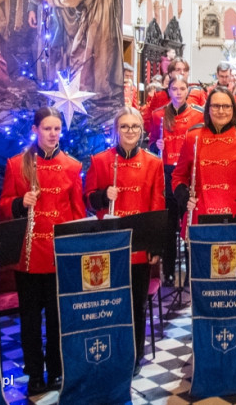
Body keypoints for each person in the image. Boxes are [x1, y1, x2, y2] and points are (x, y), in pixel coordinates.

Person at [0, 107, 84, 396]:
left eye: (56, 129)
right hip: (28, 256)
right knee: (31, 321)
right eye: (47, 128)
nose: (52, 134)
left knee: (58, 319)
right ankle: (35, 372)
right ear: (35, 129)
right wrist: (20, 202)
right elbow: (2, 207)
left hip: (58, 255)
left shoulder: (72, 166)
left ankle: (56, 370)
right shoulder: (16, 164)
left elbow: (77, 213)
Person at [85, 107, 164, 371]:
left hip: (139, 247)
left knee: (137, 304)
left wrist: (154, 245)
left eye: (135, 127)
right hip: (110, 245)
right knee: (110, 305)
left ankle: (134, 356)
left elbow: (157, 206)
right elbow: (88, 198)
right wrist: (103, 195)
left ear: (142, 131)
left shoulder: (153, 163)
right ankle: (111, 352)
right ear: (115, 130)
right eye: (125, 127)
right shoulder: (99, 160)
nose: (130, 131)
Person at [28, 0, 122, 92]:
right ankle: (87, 90)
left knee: (98, 46)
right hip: (91, 4)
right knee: (81, 48)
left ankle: (100, 92)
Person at [172, 87, 236, 223]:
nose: (221, 111)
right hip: (200, 215)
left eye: (226, 106)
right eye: (215, 106)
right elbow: (178, 176)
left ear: (233, 108)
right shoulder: (192, 136)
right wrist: (184, 196)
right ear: (207, 108)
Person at [150, 74, 204, 280]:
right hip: (167, 172)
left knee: (188, 223)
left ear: (188, 91)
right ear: (169, 91)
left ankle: (191, 270)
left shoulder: (197, 114)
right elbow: (152, 141)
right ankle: (170, 272)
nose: (179, 93)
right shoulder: (158, 115)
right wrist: (157, 145)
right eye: (175, 89)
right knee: (169, 225)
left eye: (183, 89)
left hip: (188, 174)